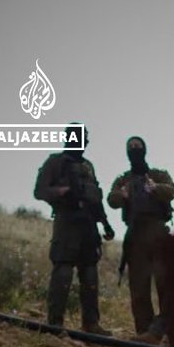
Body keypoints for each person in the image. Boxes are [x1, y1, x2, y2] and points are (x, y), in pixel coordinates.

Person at [33, 122, 115, 334]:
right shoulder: (55, 162)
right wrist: (61, 192)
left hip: (88, 224)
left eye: (83, 138)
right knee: (63, 272)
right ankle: (55, 322)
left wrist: (105, 223)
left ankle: (91, 323)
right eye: (77, 137)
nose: (81, 142)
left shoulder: (88, 166)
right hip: (67, 222)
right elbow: (40, 190)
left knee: (90, 275)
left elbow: (96, 198)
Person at [107, 136, 174, 344]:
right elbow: (112, 200)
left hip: (157, 232)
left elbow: (171, 191)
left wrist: (154, 188)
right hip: (135, 234)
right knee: (138, 287)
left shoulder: (158, 175)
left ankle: (166, 330)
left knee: (166, 284)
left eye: (138, 146)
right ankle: (145, 333)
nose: (134, 150)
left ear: (145, 149)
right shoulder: (124, 180)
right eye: (130, 147)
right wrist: (123, 194)